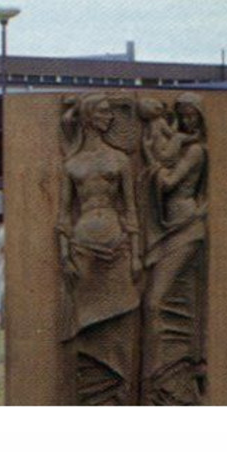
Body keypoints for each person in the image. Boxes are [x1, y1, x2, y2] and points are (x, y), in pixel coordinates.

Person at [57, 94, 143, 405]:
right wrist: (64, 252)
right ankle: (91, 396)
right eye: (104, 113)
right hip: (83, 247)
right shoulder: (73, 163)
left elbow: (131, 209)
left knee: (119, 317)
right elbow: (64, 214)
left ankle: (116, 393)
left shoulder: (120, 160)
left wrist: (136, 254)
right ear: (91, 117)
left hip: (116, 244)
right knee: (87, 324)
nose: (110, 118)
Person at [140, 94, 208, 405]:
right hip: (169, 228)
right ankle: (164, 369)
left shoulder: (195, 151)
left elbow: (168, 183)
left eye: (192, 115)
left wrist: (149, 160)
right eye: (182, 115)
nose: (187, 120)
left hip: (187, 228)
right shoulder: (181, 142)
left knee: (156, 301)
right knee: (162, 299)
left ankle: (165, 371)